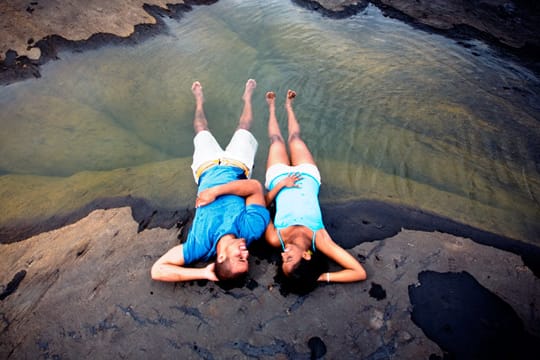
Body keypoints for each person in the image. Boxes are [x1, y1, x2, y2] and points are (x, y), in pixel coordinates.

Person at [151, 79, 270, 283]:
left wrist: (205, 273)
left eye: (239, 258)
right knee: (245, 126)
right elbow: (254, 187)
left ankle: (199, 100)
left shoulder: (200, 244)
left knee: (201, 128)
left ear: (221, 257)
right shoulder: (252, 229)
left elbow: (157, 270)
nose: (246, 254)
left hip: (206, 168)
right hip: (237, 165)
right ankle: (247, 97)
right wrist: (217, 192)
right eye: (247, 259)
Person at [263, 89, 366, 294]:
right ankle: (289, 106)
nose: (283, 254)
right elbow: (359, 272)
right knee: (294, 138)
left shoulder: (276, 238)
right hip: (307, 176)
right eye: (289, 258)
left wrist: (281, 185)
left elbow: (261, 206)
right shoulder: (320, 239)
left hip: (278, 179)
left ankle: (272, 107)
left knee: (276, 139)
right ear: (307, 256)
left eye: (282, 260)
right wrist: (319, 277)